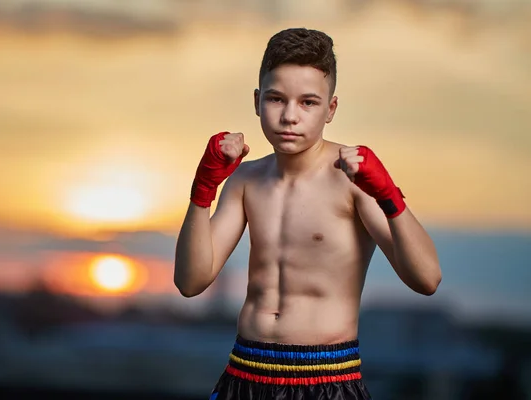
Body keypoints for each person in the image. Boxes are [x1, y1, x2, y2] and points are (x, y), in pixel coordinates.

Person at [174, 27, 442, 400]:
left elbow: (427, 279)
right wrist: (202, 189)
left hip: (326, 378)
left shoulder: (353, 178)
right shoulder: (246, 179)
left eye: (308, 102)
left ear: (330, 109)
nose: (289, 116)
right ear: (256, 101)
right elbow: (191, 282)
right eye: (276, 99)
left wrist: (389, 195)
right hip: (244, 372)